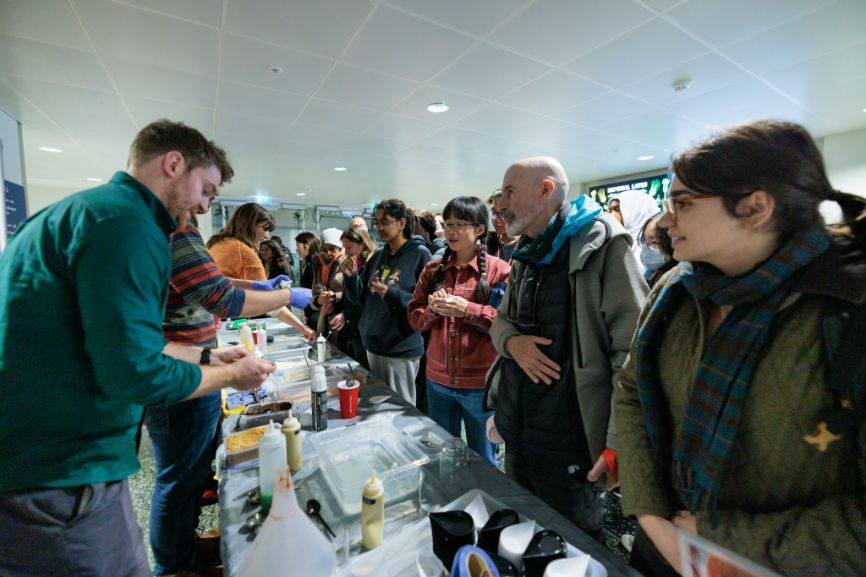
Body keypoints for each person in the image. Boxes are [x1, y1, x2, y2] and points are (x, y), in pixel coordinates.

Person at [0, 119, 275, 577]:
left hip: (45, 462)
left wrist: (207, 356)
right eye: (206, 189)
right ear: (173, 164)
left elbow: (122, 340)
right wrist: (231, 375)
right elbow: (135, 371)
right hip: (59, 473)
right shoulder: (130, 224)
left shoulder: (92, 212)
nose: (206, 206)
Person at [615, 120, 866, 577]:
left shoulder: (847, 309)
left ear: (754, 209)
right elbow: (631, 390)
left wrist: (716, 539)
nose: (665, 218)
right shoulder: (676, 286)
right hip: (664, 543)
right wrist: (650, 514)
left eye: (683, 203)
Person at [489, 156, 647, 537]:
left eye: (510, 191)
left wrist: (616, 442)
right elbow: (500, 321)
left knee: (572, 546)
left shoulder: (605, 245)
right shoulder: (528, 249)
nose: (500, 204)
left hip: (571, 442)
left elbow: (633, 354)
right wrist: (514, 344)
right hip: (521, 429)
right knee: (522, 535)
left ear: (546, 191)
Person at [149, 207, 312, 577]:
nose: (206, 204)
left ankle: (182, 552)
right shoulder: (180, 235)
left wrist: (262, 288)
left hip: (188, 361)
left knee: (182, 478)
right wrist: (285, 296)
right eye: (205, 190)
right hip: (181, 377)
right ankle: (173, 565)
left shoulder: (202, 239)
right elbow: (223, 298)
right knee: (177, 482)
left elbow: (220, 285)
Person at [408, 196, 510, 465]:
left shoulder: (500, 271)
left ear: (478, 229)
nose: (451, 232)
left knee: (483, 459)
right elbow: (414, 318)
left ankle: (484, 506)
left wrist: (469, 309)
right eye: (448, 224)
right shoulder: (432, 270)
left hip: (480, 385)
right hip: (437, 380)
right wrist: (432, 310)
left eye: (459, 225)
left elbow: (509, 323)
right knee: (443, 452)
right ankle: (450, 503)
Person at [342, 198, 431, 404]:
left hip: (400, 348)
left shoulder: (419, 254)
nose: (379, 227)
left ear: (402, 223)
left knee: (401, 408)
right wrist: (351, 277)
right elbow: (359, 299)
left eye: (385, 221)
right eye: (377, 221)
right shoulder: (378, 256)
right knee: (377, 406)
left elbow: (425, 304)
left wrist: (391, 294)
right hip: (373, 345)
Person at [208, 203, 315, 342]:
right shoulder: (244, 251)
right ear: (249, 225)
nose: (266, 235)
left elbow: (219, 280)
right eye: (264, 229)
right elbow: (270, 304)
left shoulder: (217, 243)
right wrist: (301, 326)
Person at [333, 225, 377, 368]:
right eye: (344, 248)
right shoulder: (352, 263)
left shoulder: (372, 264)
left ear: (362, 244)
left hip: (365, 331)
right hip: (354, 328)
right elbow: (348, 297)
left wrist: (346, 314)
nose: (346, 252)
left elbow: (364, 301)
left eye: (350, 247)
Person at [309, 228, 348, 350]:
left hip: (342, 321)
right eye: (324, 250)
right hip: (323, 319)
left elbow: (354, 293)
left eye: (332, 249)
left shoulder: (347, 263)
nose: (328, 254)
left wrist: (335, 296)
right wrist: (319, 301)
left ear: (341, 248)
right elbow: (314, 295)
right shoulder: (318, 266)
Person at [607, 189, 660, 271]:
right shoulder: (618, 244)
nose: (611, 215)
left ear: (638, 210)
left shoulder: (654, 248)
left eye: (617, 209)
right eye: (610, 210)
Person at [638, 213, 677, 288]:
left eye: (654, 242)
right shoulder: (651, 274)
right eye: (644, 240)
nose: (647, 248)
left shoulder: (676, 281)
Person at [486, 189, 519, 262]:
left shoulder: (527, 245)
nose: (494, 218)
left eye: (501, 213)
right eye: (493, 212)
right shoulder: (489, 241)